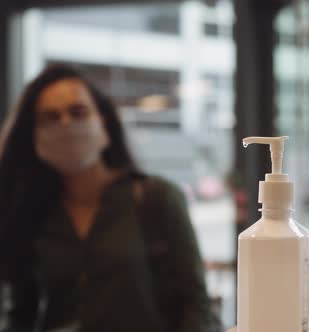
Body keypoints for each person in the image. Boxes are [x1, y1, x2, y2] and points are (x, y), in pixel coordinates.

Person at [0, 65, 221, 332]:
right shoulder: (30, 214)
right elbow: (20, 313)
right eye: (51, 117)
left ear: (103, 120)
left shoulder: (155, 198)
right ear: (34, 137)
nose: (66, 124)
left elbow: (195, 305)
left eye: (77, 111)